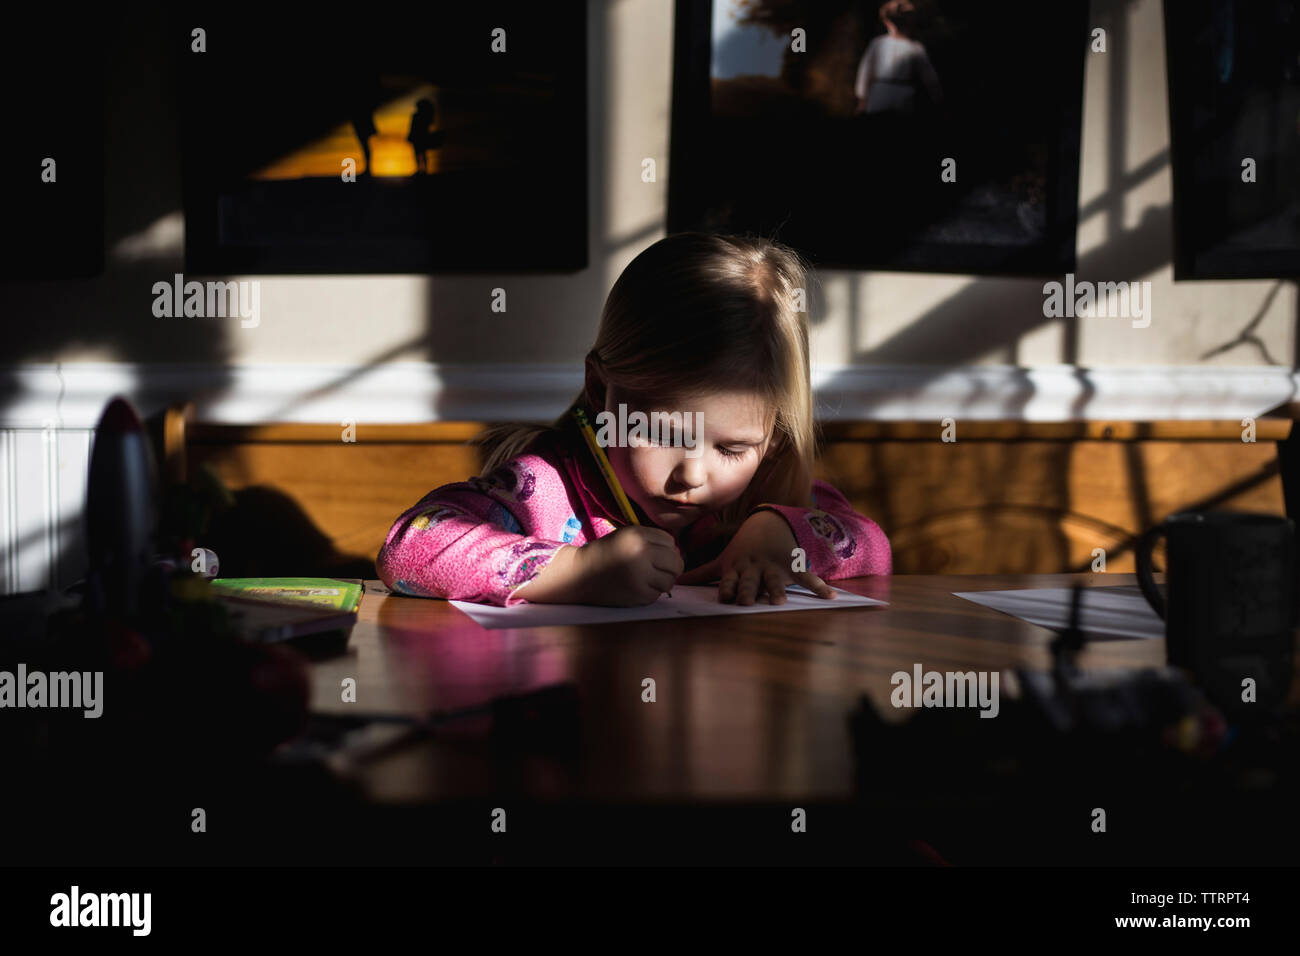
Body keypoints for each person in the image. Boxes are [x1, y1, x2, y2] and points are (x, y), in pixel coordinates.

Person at [376, 232, 892, 608]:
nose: (692, 475)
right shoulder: (543, 487)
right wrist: (576, 571)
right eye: (665, 433)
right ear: (601, 390)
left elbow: (872, 547)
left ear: (773, 440)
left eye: (732, 449)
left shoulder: (766, 493)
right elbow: (409, 546)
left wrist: (781, 535)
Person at [854, 0, 942, 115]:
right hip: (899, 96)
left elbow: (865, 72)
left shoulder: (880, 43)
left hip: (885, 95)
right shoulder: (914, 47)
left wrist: (862, 99)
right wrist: (938, 99)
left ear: (887, 22)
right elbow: (930, 79)